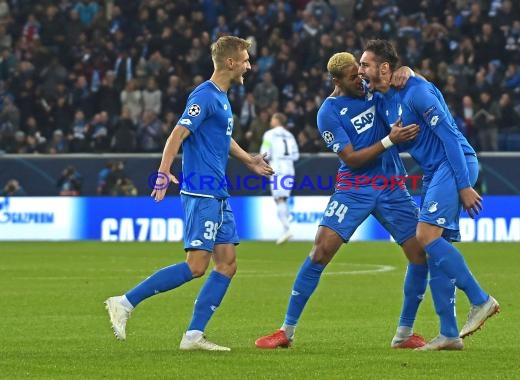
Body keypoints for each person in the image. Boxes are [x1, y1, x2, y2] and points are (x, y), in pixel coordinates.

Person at [104, 36, 274, 352]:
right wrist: (162, 173)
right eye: (246, 59)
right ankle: (125, 302)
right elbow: (177, 134)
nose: (250, 65)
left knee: (227, 264)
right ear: (230, 62)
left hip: (218, 192)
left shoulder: (222, 98)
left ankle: (193, 336)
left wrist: (249, 159)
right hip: (201, 192)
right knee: (196, 266)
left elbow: (223, 137)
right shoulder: (205, 96)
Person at [255, 52, 427, 350]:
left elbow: (416, 88)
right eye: (352, 77)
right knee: (320, 251)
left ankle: (404, 333)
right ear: (336, 81)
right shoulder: (328, 113)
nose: (360, 79)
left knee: (421, 255)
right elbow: (351, 158)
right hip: (354, 188)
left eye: (360, 72)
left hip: (391, 185)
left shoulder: (373, 89)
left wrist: (409, 71)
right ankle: (286, 331)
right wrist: (390, 141)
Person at [360, 39, 500, 350]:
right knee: (437, 252)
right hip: (434, 172)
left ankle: (480, 299)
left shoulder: (416, 91)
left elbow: (449, 136)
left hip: (455, 164)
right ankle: (449, 333)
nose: (361, 70)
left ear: (384, 67)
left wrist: (464, 185)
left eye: (365, 64)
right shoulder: (382, 99)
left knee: (424, 236)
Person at [260, 112, 300, 244]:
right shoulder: (290, 135)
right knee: (283, 199)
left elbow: (264, 153)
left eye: (272, 118)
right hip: (289, 169)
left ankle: (286, 228)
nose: (271, 121)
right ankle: (285, 229)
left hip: (277, 168)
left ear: (277, 120)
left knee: (279, 199)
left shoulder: (269, 134)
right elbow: (296, 155)